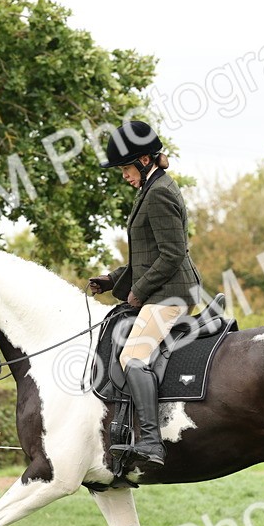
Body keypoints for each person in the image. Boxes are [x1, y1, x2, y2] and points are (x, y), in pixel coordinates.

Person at [88, 120, 203, 467]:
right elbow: (147, 255)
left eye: (125, 167)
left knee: (132, 358)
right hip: (162, 287)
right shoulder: (150, 189)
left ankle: (152, 442)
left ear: (143, 161)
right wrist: (113, 279)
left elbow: (172, 254)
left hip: (172, 294)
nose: (124, 175)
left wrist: (137, 291)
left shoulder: (160, 193)